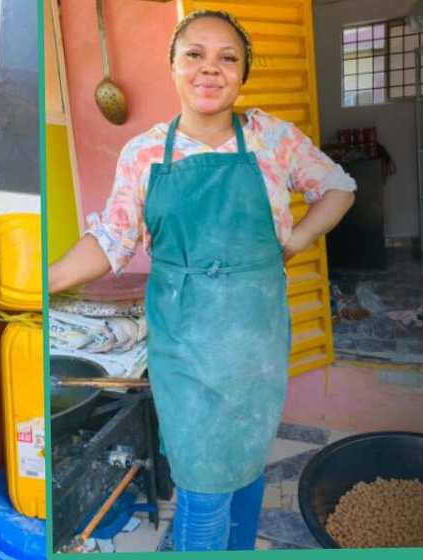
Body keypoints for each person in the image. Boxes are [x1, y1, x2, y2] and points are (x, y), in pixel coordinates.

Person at [48, 10, 356, 551]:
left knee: (249, 462)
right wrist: (41, 281)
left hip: (255, 340)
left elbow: (339, 187)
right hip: (186, 343)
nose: (209, 69)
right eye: (194, 54)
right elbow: (111, 241)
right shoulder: (144, 152)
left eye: (227, 58)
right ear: (172, 66)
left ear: (242, 74)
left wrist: (300, 238)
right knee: (202, 485)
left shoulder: (270, 137)